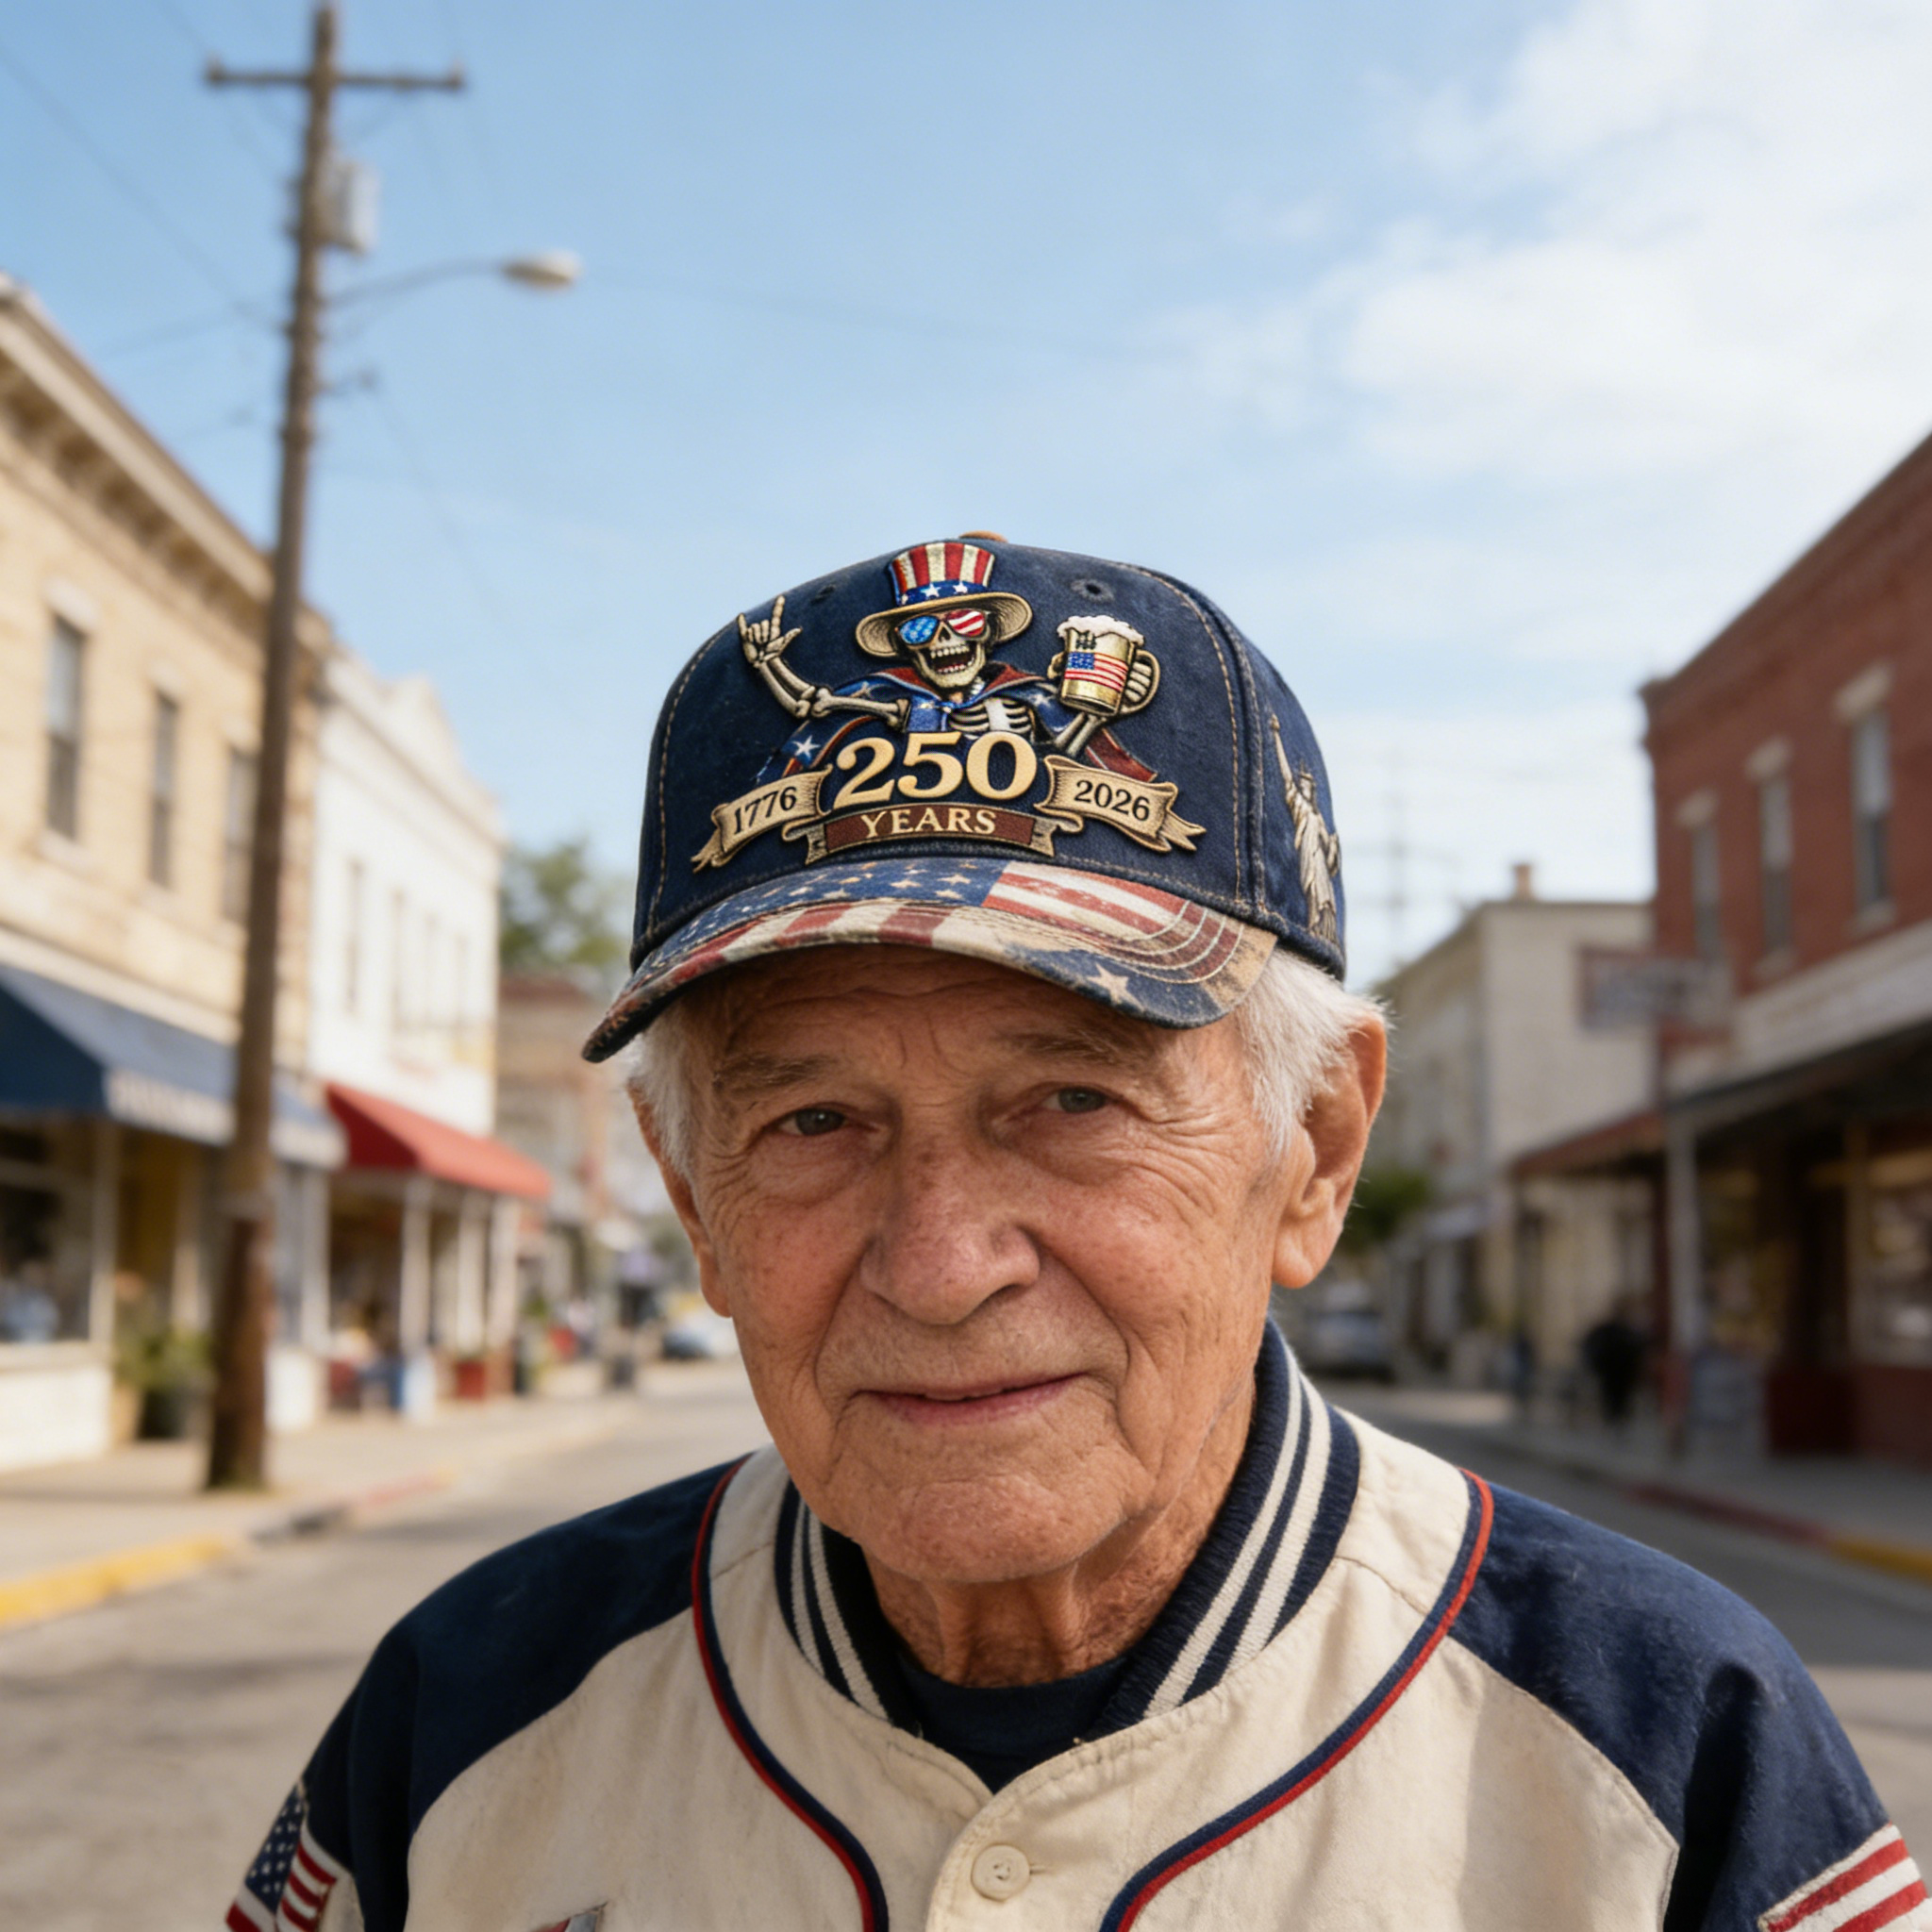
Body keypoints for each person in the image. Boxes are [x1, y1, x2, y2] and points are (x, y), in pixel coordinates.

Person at [228, 540, 1925, 1932]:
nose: (942, 1262)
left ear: (1315, 1150)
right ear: (696, 1203)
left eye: (1074, 1102)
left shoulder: (1671, 1748)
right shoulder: (462, 1718)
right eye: (813, 1124)